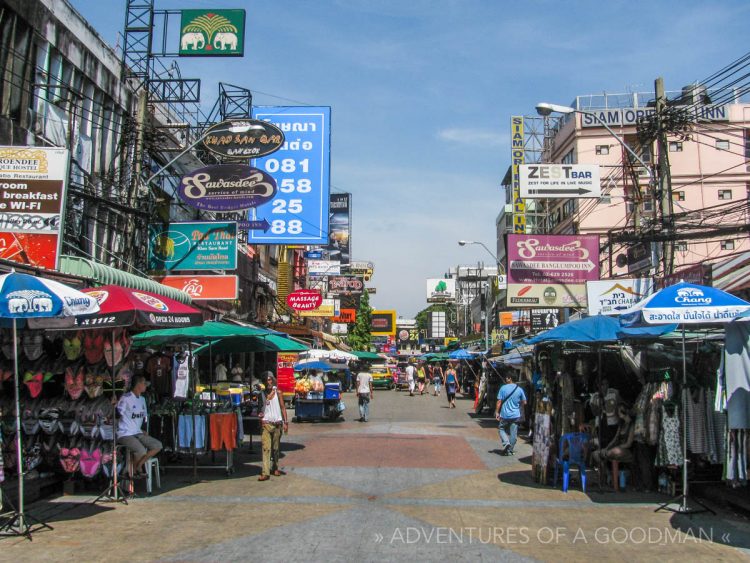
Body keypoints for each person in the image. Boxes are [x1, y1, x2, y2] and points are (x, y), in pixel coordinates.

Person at [117, 375, 162, 477]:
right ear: (138, 384)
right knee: (140, 450)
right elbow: (118, 414)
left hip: (137, 432)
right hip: (125, 433)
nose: (146, 386)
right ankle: (132, 471)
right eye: (144, 384)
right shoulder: (126, 398)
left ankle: (138, 466)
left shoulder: (142, 399)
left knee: (157, 445)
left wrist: (142, 430)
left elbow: (143, 417)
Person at [258, 373, 288, 481]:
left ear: (273, 381)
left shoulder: (278, 393)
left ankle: (275, 467)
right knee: (266, 448)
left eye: (270, 380)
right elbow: (260, 410)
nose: (268, 382)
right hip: (266, 424)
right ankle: (265, 472)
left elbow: (283, 407)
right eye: (266, 380)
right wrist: (260, 416)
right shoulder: (261, 394)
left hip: (277, 424)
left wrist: (286, 422)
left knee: (275, 448)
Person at [495, 374, 527, 455]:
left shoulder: (503, 388)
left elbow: (499, 402)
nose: (505, 379)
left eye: (507, 377)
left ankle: (506, 443)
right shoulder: (519, 389)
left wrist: (497, 412)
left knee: (501, 429)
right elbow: (524, 402)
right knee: (513, 434)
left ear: (510, 378)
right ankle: (510, 450)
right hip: (515, 415)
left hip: (504, 414)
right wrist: (517, 402)